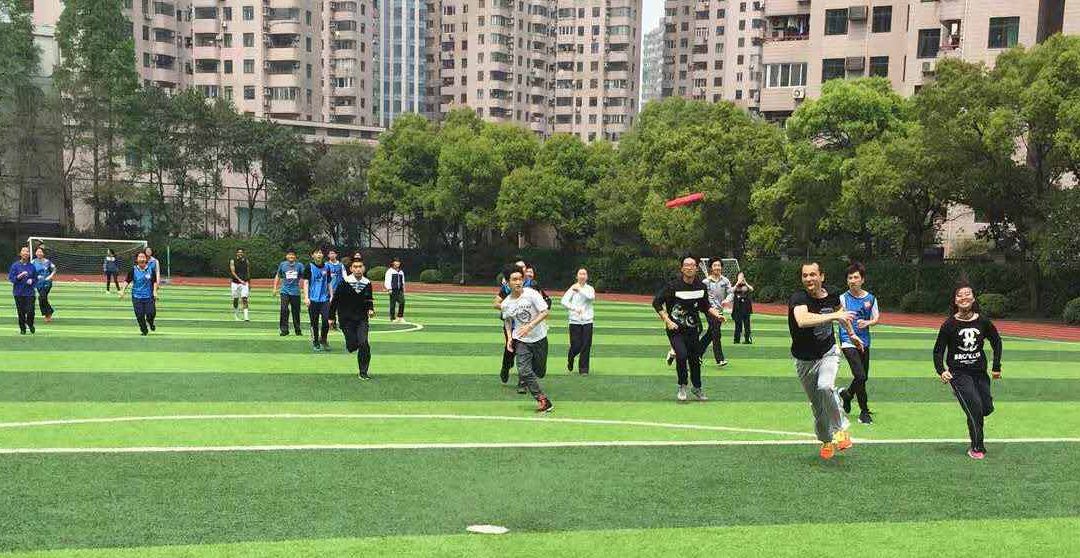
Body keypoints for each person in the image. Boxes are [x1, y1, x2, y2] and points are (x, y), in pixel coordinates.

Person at [788, 262, 862, 460]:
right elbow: (802, 320)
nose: (809, 279)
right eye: (805, 275)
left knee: (825, 387)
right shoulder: (798, 298)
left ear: (822, 277)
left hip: (828, 353)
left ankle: (840, 430)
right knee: (817, 407)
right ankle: (826, 440)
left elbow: (843, 315)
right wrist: (836, 316)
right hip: (803, 360)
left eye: (813, 275)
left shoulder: (833, 295)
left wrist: (851, 334)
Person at [933, 284, 1003, 460]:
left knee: (985, 407)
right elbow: (938, 351)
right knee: (975, 408)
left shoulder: (983, 322)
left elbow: (996, 341)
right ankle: (977, 447)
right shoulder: (949, 324)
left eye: (967, 295)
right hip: (958, 374)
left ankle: (970, 400)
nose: (964, 298)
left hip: (980, 372)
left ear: (973, 298)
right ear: (955, 301)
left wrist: (996, 366)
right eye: (959, 295)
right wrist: (941, 371)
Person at [653, 256, 724, 402]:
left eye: (692, 265)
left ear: (697, 268)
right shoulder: (672, 286)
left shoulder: (700, 286)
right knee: (681, 355)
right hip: (675, 330)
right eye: (686, 265)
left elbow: (705, 306)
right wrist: (667, 320)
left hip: (693, 329)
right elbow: (657, 303)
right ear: (682, 268)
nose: (689, 267)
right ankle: (682, 386)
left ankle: (697, 388)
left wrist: (717, 315)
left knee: (694, 359)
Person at [501, 268, 554, 412]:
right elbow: (508, 321)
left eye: (520, 279)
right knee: (524, 370)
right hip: (522, 340)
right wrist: (510, 338)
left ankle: (537, 385)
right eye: (514, 279)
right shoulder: (506, 304)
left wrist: (529, 326)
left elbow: (545, 312)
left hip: (539, 338)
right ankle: (542, 400)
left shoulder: (532, 294)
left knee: (540, 372)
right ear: (507, 283)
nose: (518, 282)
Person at [838, 262, 880, 425]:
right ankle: (864, 411)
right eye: (850, 278)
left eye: (856, 277)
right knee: (860, 375)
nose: (852, 280)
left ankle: (847, 395)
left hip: (865, 341)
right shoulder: (843, 298)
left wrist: (867, 323)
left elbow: (876, 318)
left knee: (863, 377)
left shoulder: (871, 298)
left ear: (862, 280)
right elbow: (840, 317)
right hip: (848, 341)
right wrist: (851, 331)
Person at [329, 257, 375, 379]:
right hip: (346, 319)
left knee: (364, 343)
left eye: (360, 266)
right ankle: (351, 345)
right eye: (355, 267)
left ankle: (363, 372)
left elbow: (369, 299)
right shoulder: (344, 282)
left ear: (364, 268)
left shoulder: (367, 283)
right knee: (352, 345)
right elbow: (335, 300)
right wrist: (331, 317)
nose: (358, 269)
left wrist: (370, 309)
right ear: (351, 269)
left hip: (362, 319)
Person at [493, 261, 528, 384]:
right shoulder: (507, 287)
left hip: (526, 326)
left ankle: (522, 381)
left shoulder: (531, 286)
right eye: (520, 267)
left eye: (524, 267)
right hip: (511, 325)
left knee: (524, 352)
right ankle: (506, 367)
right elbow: (496, 303)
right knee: (510, 350)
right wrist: (509, 307)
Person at [698, 259, 733, 367]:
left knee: (710, 333)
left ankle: (696, 354)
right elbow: (706, 298)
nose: (717, 267)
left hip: (720, 311)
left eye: (719, 265)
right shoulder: (706, 282)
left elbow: (731, 292)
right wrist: (713, 308)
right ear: (711, 267)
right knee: (716, 333)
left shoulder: (725, 281)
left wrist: (727, 300)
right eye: (715, 265)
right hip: (709, 310)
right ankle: (719, 359)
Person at [561, 268, 596, 375]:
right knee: (576, 345)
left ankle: (584, 369)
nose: (582, 276)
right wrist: (574, 308)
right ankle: (571, 356)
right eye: (580, 274)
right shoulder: (573, 287)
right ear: (577, 276)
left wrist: (580, 290)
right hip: (574, 321)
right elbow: (564, 301)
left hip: (587, 320)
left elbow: (591, 297)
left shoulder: (589, 288)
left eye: (584, 274)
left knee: (586, 345)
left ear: (587, 276)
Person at [118, 251, 158, 335]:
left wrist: (155, 292)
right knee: (139, 315)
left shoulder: (151, 269)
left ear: (146, 259)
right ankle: (144, 330)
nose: (142, 258)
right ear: (137, 259)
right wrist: (122, 290)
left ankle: (150, 323)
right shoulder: (133, 270)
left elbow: (154, 282)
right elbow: (127, 281)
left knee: (151, 313)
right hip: (136, 296)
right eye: (140, 257)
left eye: (143, 257)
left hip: (149, 296)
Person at [303, 248, 333, 351]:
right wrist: (306, 297)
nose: (319, 255)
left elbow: (329, 282)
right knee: (314, 322)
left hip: (324, 299)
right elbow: (306, 282)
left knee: (326, 320)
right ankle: (315, 341)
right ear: (313, 255)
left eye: (320, 253)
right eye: (316, 253)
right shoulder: (309, 267)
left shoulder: (327, 267)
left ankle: (323, 339)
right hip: (313, 299)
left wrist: (332, 295)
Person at [272, 249, 304, 336]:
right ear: (286, 256)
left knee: (296, 311)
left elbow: (305, 277)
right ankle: (284, 330)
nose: (291, 256)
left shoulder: (299, 265)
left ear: (295, 257)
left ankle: (297, 329)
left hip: (295, 292)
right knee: (284, 309)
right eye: (289, 255)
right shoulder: (283, 264)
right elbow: (278, 276)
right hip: (284, 291)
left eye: (293, 255)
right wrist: (275, 288)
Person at [9, 246, 37, 334]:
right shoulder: (15, 265)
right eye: (23, 251)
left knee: (31, 311)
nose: (25, 253)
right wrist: (19, 276)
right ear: (20, 254)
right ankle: (22, 328)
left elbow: (35, 279)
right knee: (21, 312)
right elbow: (11, 279)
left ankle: (30, 323)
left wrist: (32, 280)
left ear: (29, 254)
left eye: (27, 251)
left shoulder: (32, 266)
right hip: (18, 293)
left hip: (30, 293)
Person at [32, 246, 57, 323]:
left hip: (47, 283)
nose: (39, 253)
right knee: (43, 298)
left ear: (43, 253)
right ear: (35, 253)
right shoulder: (33, 262)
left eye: (40, 252)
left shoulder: (47, 262)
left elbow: (54, 269)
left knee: (41, 298)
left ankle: (47, 314)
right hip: (38, 283)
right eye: (37, 251)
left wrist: (50, 276)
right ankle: (49, 312)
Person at [732, 271, 754, 344]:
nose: (741, 277)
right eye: (740, 276)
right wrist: (737, 283)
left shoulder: (746, 284)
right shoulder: (735, 284)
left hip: (746, 307)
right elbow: (731, 290)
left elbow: (752, 289)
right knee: (738, 325)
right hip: (737, 307)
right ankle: (736, 340)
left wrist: (746, 283)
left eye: (742, 276)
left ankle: (747, 339)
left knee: (747, 325)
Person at [229, 248, 251, 322]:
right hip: (235, 283)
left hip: (244, 283)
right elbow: (233, 272)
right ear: (236, 253)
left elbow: (248, 272)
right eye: (239, 252)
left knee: (244, 298)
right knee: (235, 299)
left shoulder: (246, 261)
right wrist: (240, 280)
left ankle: (246, 317)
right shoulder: (233, 261)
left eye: (241, 252)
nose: (240, 254)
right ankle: (236, 315)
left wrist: (249, 282)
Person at [384, 257, 406, 323]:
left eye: (398, 262)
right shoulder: (390, 271)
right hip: (393, 290)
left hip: (400, 290)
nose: (397, 263)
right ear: (393, 263)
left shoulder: (401, 271)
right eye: (396, 261)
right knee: (392, 304)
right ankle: (392, 318)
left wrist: (403, 287)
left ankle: (400, 317)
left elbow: (403, 280)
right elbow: (387, 280)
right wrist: (389, 288)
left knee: (402, 301)